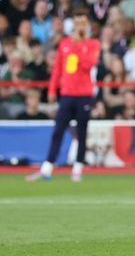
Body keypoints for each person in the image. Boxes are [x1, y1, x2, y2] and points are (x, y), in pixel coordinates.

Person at [26, 10, 100, 183]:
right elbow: (58, 69)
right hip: (66, 94)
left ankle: (78, 168)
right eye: (77, 22)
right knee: (58, 131)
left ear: (86, 25)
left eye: (82, 22)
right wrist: (52, 89)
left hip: (84, 94)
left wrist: (79, 45)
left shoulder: (92, 44)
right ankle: (47, 168)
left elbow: (90, 64)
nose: (79, 26)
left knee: (82, 132)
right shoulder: (64, 43)